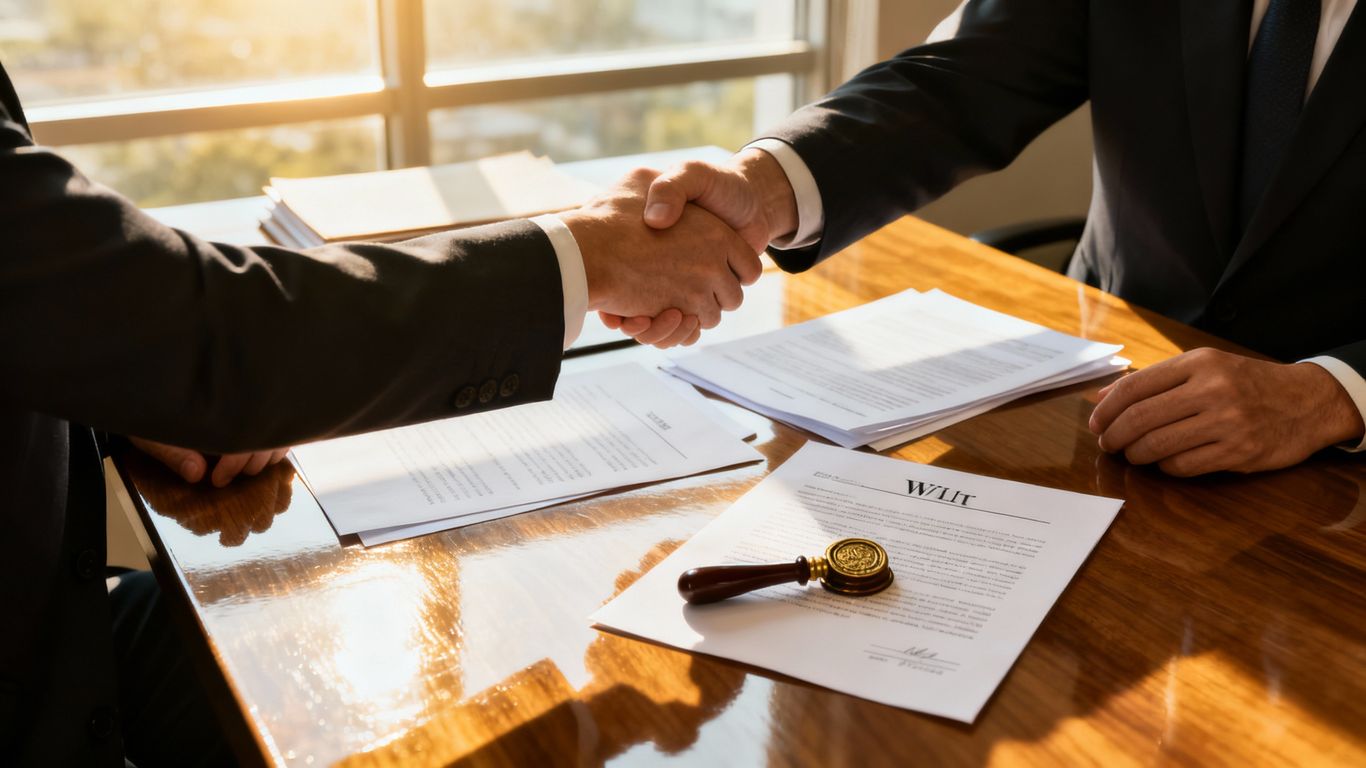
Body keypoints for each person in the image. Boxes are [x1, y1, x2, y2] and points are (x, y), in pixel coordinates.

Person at [0, 59, 760, 765]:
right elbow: (218, 327)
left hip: (56, 632)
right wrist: (589, 256)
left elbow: (49, 291)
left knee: (365, 625)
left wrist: (137, 374)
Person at [611, 0, 1366, 477]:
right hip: (1107, 403)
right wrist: (760, 190)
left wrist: (1330, 395)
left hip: (1338, 474)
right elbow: (958, 83)